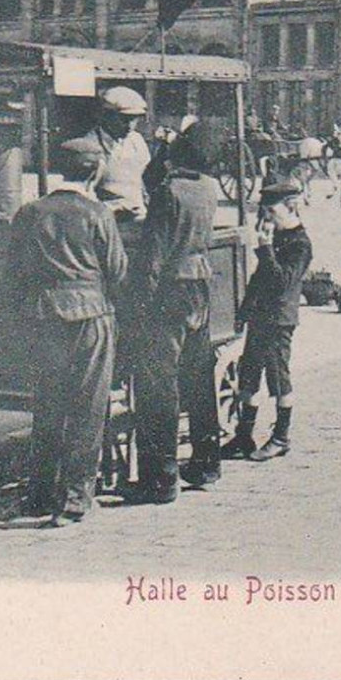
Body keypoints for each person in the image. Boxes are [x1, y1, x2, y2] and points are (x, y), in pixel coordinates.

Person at [4, 136, 129, 523]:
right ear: (94, 172)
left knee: (48, 406)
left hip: (44, 317)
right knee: (88, 407)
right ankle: (76, 498)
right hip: (91, 318)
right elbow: (118, 272)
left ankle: (40, 493)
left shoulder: (30, 212)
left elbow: (13, 273)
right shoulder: (98, 214)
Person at [127, 120, 223, 504]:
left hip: (169, 290)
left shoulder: (170, 193)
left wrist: (139, 303)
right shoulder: (208, 188)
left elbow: (152, 254)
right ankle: (206, 461)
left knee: (158, 383)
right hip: (199, 285)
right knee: (198, 376)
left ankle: (161, 478)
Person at [222, 176, 313, 462]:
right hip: (260, 318)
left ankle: (281, 437)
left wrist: (264, 249)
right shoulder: (278, 239)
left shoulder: (300, 244)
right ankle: (244, 436)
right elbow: (258, 280)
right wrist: (244, 312)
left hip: (279, 320)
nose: (267, 219)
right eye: (264, 213)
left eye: (272, 213)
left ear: (291, 207)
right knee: (248, 377)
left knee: (278, 379)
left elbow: (280, 283)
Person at [92, 86, 152, 220]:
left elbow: (145, 181)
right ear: (106, 115)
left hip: (138, 219)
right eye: (124, 119)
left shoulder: (137, 141)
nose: (130, 126)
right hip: (106, 221)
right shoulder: (91, 144)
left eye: (134, 119)